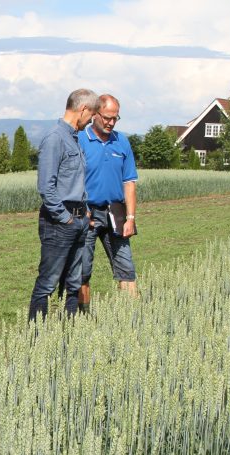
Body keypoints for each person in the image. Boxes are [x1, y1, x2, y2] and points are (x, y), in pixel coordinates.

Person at [28, 89, 99, 321]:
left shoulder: (73, 138)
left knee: (74, 282)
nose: (90, 122)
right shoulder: (55, 138)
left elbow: (75, 181)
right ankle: (36, 336)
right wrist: (65, 217)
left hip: (79, 219)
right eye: (91, 116)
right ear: (83, 110)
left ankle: (68, 331)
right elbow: (46, 187)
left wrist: (84, 212)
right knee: (48, 282)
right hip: (60, 221)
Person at [77, 94, 139, 311]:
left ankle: (132, 319)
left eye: (116, 118)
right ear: (94, 114)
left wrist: (130, 218)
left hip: (116, 213)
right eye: (107, 118)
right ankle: (82, 319)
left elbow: (129, 182)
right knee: (82, 270)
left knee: (126, 266)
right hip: (87, 214)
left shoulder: (121, 141)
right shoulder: (79, 140)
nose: (111, 123)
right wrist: (81, 212)